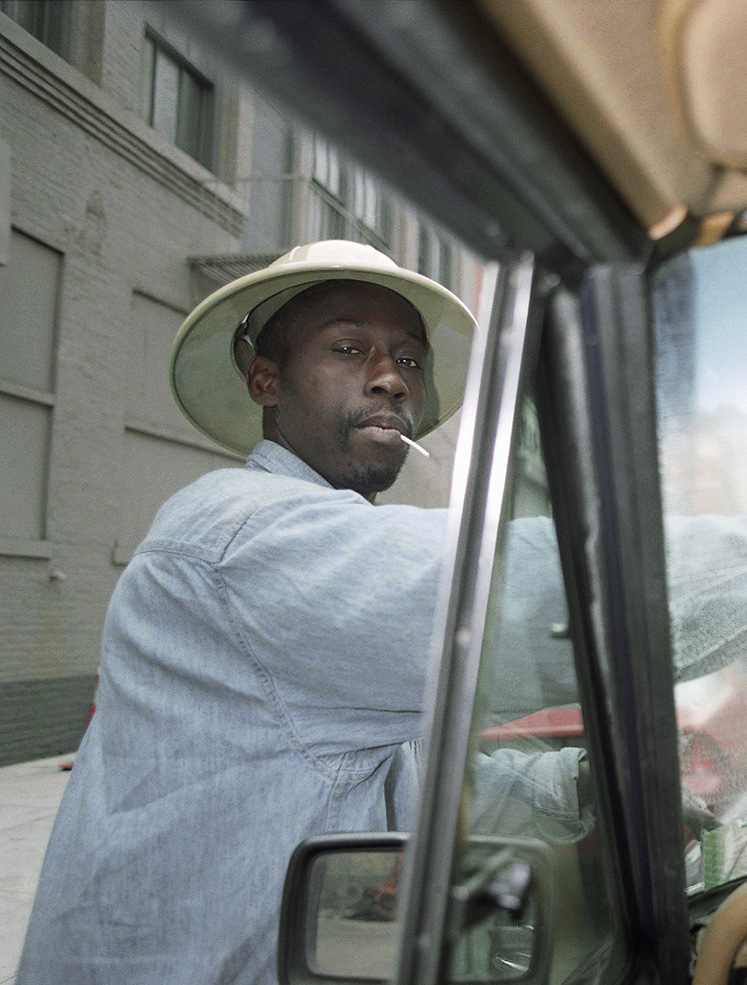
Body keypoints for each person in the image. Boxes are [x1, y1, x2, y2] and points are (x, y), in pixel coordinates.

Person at [14, 242, 597, 984]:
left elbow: (433, 779)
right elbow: (534, 591)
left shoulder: (331, 572)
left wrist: (578, 789)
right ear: (266, 379)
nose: (391, 378)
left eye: (411, 360)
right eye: (349, 348)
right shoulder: (243, 535)